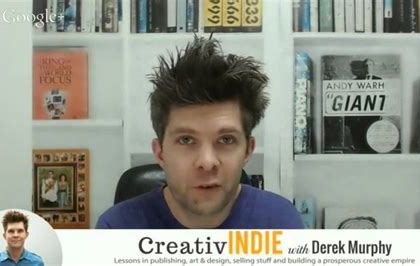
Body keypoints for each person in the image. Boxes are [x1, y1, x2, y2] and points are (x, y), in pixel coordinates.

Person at [96, 36, 303, 229]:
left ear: (248, 151)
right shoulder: (116, 229)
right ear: (160, 153)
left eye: (226, 139)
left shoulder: (281, 223)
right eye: (186, 140)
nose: (207, 162)